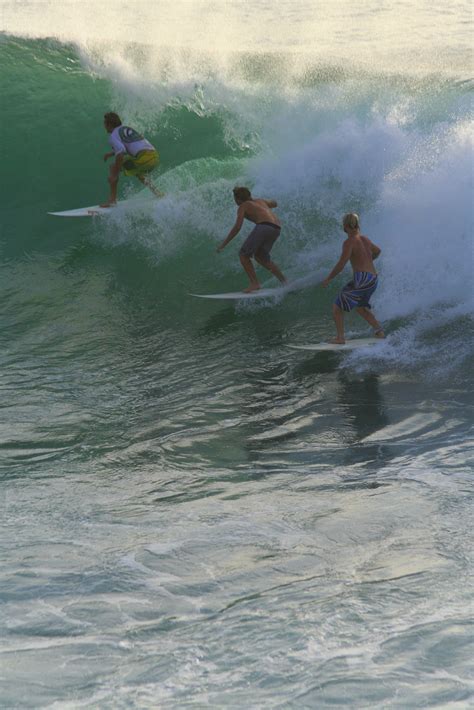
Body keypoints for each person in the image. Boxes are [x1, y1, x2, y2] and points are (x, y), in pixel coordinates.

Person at [321, 213, 385, 344]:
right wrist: (369, 260)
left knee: (337, 307)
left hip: (362, 279)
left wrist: (329, 278)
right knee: (361, 307)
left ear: (345, 227)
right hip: (373, 279)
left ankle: (340, 338)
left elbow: (341, 263)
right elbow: (378, 251)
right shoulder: (365, 239)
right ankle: (379, 331)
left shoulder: (349, 242)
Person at [217, 187, 287, 293]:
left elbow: (237, 227)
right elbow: (275, 203)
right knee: (261, 258)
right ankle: (285, 282)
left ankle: (255, 283)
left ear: (238, 199)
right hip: (276, 228)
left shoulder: (243, 206)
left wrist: (223, 244)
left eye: (235, 198)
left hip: (264, 227)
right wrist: (268, 204)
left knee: (243, 255)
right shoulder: (260, 201)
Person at [101, 112, 163, 207]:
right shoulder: (125, 129)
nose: (104, 126)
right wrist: (111, 153)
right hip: (153, 156)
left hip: (144, 158)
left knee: (113, 168)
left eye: (104, 123)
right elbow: (131, 145)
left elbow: (121, 152)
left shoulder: (113, 136)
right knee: (138, 172)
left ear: (108, 124)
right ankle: (158, 193)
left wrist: (115, 173)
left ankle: (112, 200)